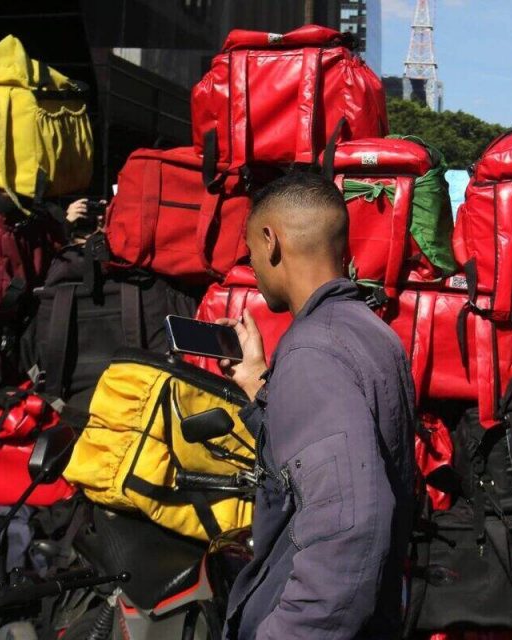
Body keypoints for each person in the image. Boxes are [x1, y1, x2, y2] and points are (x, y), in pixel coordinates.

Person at [219, 172, 416, 639]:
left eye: (250, 252)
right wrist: (258, 384)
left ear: (272, 242)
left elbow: (349, 528)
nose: (253, 266)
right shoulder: (370, 330)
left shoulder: (314, 353)